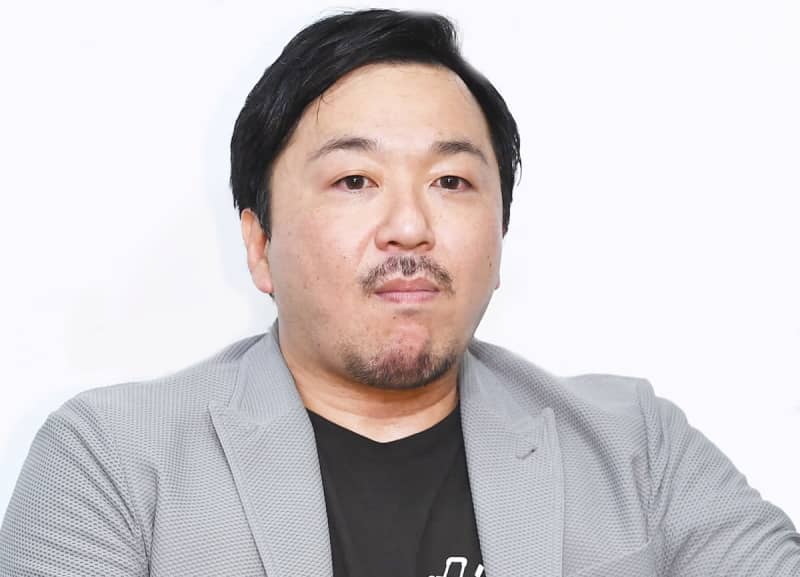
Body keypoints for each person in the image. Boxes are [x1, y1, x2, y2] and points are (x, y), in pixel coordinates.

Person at [1, 8, 798, 577]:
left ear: (500, 235)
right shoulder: (109, 462)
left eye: (451, 181)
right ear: (259, 242)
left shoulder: (636, 446)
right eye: (355, 180)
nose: (410, 227)